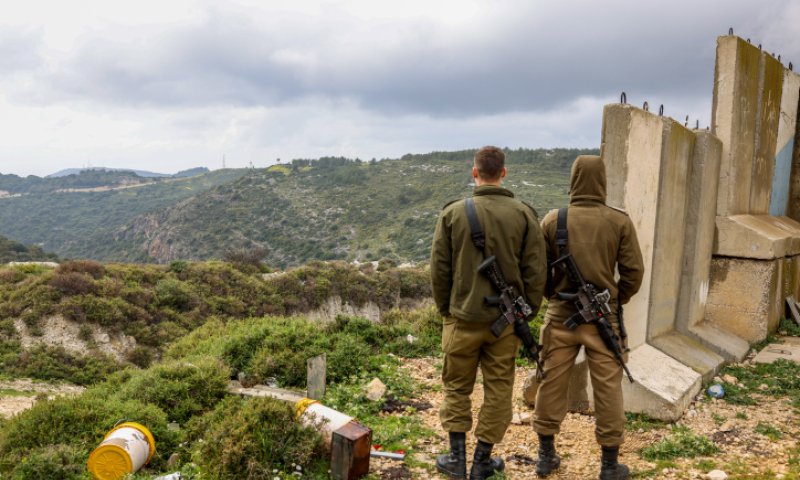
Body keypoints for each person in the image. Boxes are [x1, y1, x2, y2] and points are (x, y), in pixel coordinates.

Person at [430, 146, 547, 479]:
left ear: (475, 172)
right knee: (498, 390)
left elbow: (439, 269)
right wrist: (526, 313)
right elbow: (536, 272)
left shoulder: (452, 214)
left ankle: (456, 459)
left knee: (457, 387)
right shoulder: (524, 214)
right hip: (506, 325)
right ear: (504, 173)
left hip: (462, 319)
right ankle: (482, 460)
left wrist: (448, 311)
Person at [532, 155, 644, 480]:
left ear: (573, 180)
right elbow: (633, 272)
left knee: (551, 382)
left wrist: (553, 297)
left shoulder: (553, 220)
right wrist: (615, 300)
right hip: (603, 320)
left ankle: (545, 455)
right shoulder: (619, 222)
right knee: (608, 388)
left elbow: (538, 272)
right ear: (602, 181)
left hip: (560, 317)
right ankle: (609, 464)